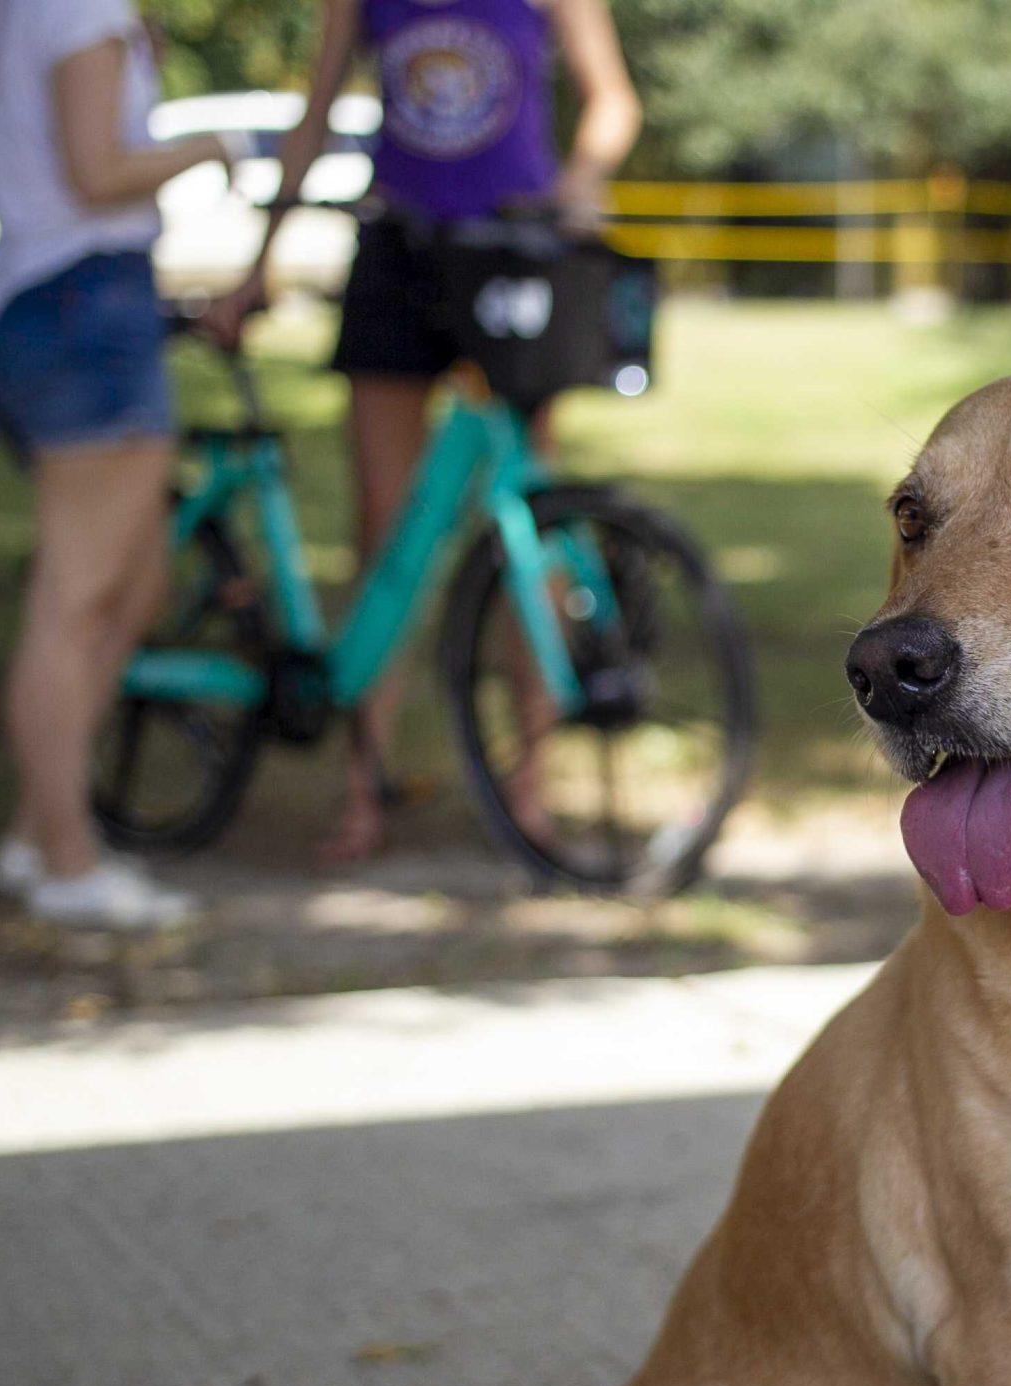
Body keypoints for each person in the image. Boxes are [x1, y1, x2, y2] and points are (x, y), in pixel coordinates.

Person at [205, 0, 642, 864]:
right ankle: (362, 791)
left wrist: (579, 181)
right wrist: (257, 266)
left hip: (511, 254)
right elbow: (317, 109)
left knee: (533, 531)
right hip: (397, 256)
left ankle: (530, 791)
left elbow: (613, 102)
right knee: (386, 529)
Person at [0, 0, 239, 928]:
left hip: (61, 304)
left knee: (131, 587)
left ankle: (39, 829)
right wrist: (212, 147)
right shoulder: (78, 6)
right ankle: (67, 861)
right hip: (84, 309)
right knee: (78, 602)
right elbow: (97, 174)